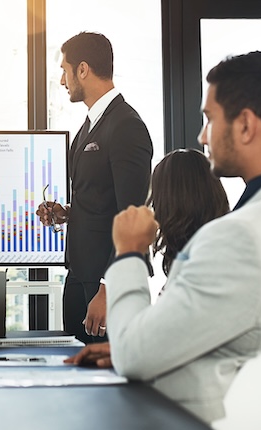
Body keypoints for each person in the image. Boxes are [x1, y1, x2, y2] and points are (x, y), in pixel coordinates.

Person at [74, 51, 261, 423]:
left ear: (245, 125)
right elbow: (247, 328)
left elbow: (134, 358)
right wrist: (160, 341)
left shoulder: (235, 237)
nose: (202, 136)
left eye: (209, 119)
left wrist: (129, 253)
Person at [36, 32, 152, 343]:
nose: (63, 81)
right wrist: (67, 213)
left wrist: (108, 286)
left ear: (83, 69)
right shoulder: (89, 126)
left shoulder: (126, 126)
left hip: (104, 283)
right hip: (79, 273)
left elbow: (133, 214)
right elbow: (104, 202)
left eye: (65, 70)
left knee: (105, 387)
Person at [64, 148, 229, 367]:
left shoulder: (202, 272)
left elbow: (136, 353)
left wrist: (129, 251)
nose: (153, 211)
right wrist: (120, 351)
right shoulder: (210, 259)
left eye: (156, 200)